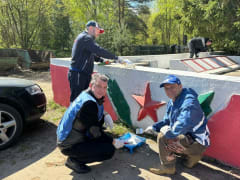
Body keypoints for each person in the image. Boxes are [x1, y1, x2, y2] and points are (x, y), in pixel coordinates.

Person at [57, 73, 125, 174]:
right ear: (91, 85)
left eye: (104, 87)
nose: (102, 90)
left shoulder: (87, 94)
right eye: (98, 86)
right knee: (109, 150)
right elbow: (95, 133)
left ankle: (81, 153)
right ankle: (74, 161)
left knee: (105, 139)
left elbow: (93, 114)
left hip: (69, 137)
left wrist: (105, 114)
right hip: (70, 145)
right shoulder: (89, 104)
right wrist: (113, 141)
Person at [144, 75, 210, 175]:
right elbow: (167, 120)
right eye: (166, 88)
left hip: (198, 143)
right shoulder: (172, 102)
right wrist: (154, 127)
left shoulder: (189, 102)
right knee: (170, 137)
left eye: (172, 87)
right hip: (191, 140)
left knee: (163, 137)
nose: (169, 90)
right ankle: (192, 158)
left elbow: (183, 122)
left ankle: (168, 168)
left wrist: (167, 133)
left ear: (180, 86)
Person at [69, 20, 120, 102]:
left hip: (82, 74)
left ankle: (81, 114)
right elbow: (98, 50)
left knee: (82, 99)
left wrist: (102, 60)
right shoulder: (86, 38)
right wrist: (116, 58)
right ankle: (73, 115)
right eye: (98, 30)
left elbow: (91, 54)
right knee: (76, 99)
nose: (99, 33)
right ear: (91, 28)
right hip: (78, 74)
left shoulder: (84, 38)